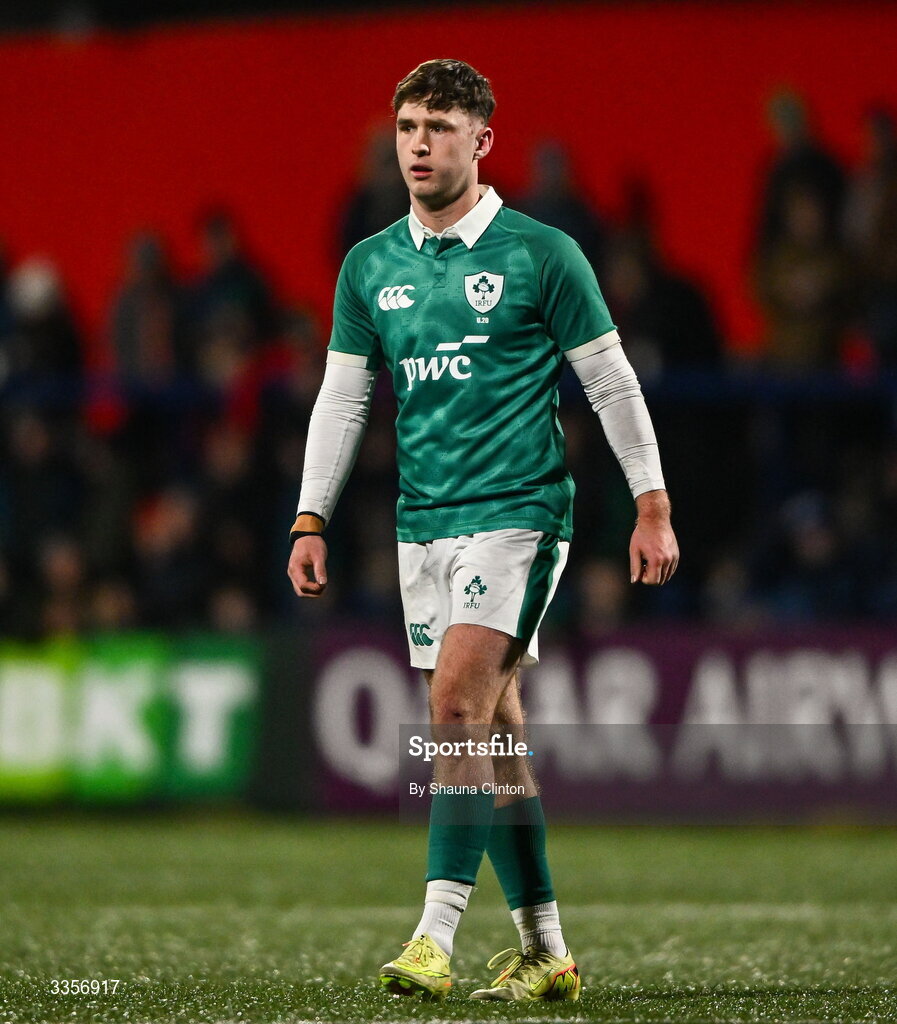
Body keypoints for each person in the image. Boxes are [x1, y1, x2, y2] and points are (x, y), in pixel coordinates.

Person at [288, 59, 678, 1002]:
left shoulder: (542, 254)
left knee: (455, 708)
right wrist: (309, 517)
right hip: (423, 521)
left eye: (439, 128)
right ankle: (546, 951)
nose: (418, 145)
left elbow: (610, 381)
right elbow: (342, 401)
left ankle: (433, 937)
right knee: (496, 734)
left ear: (482, 140)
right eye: (407, 128)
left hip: (520, 515)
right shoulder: (369, 265)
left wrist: (651, 502)